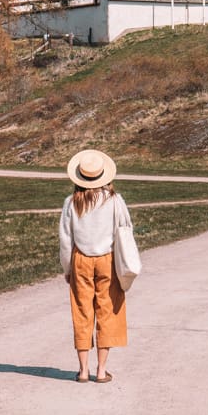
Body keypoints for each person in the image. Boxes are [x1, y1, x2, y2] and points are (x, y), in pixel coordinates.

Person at [59, 148, 132, 383]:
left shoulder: (71, 203)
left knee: (82, 312)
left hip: (80, 259)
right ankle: (101, 370)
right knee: (107, 311)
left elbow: (65, 239)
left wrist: (67, 268)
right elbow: (125, 229)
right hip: (107, 259)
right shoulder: (115, 201)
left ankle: (82, 370)